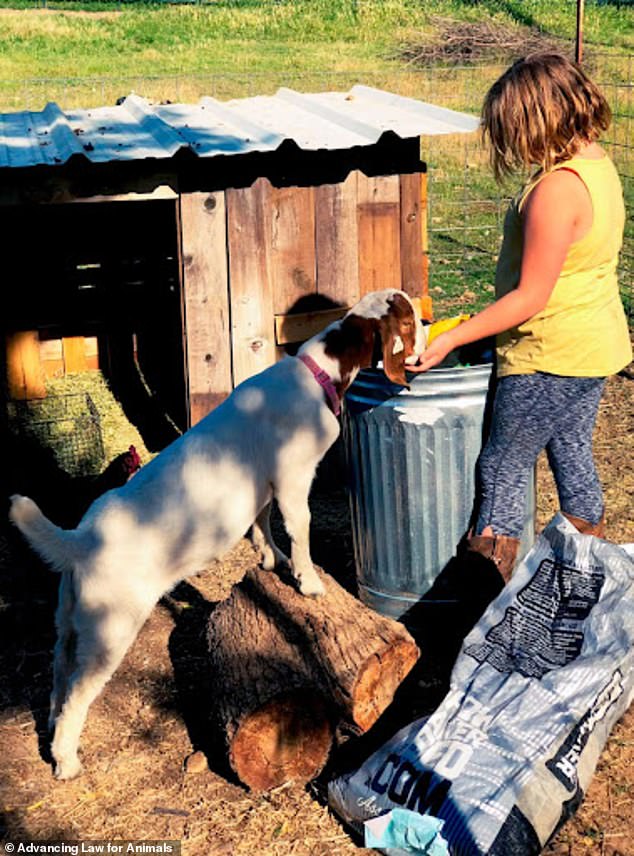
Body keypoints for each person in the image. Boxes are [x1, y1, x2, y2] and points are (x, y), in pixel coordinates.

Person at [410, 52, 632, 585]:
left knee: (501, 469)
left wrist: (451, 340)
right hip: (592, 347)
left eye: (514, 128)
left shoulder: (556, 191)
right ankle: (581, 580)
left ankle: (486, 603)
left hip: (547, 352)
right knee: (571, 453)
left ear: (539, 119)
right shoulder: (596, 167)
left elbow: (531, 296)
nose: (511, 143)